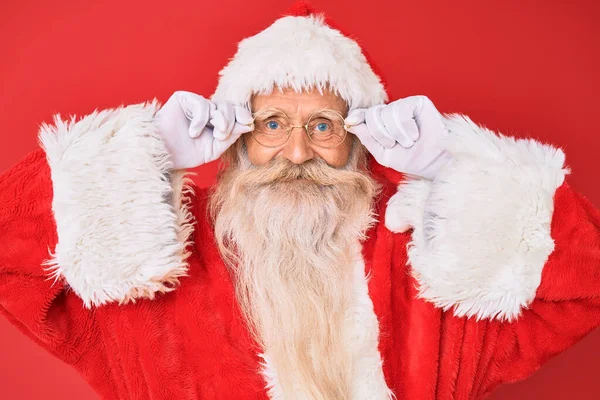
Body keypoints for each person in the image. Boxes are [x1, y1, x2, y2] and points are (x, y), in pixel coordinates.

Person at [1, 2, 599, 399]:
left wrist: (458, 168)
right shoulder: (160, 252)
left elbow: (587, 281)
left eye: (321, 127)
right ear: (235, 135)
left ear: (360, 138)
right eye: (270, 124)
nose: (294, 153)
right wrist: (141, 152)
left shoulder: (420, 254)